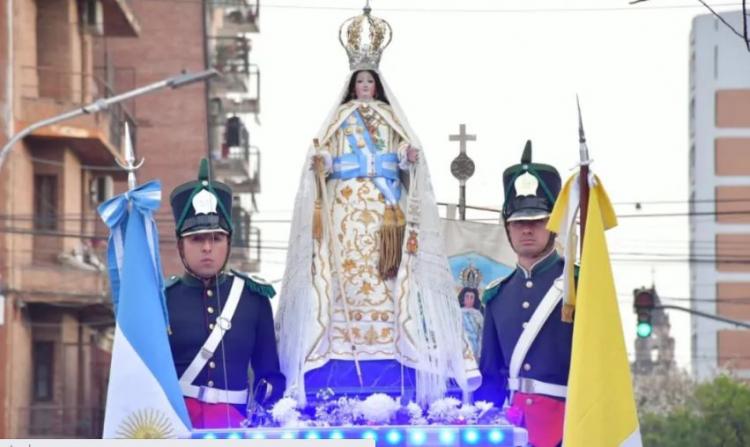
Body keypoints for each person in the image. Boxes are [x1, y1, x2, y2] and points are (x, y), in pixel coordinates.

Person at [275, 5, 480, 405]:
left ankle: (393, 336)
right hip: (345, 208)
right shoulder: (339, 120)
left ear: (377, 84)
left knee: (389, 272)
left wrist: (407, 157)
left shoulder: (389, 118)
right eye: (360, 81)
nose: (365, 87)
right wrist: (322, 163)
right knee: (344, 271)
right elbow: (327, 158)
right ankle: (340, 337)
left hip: (387, 210)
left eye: (370, 81)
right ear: (352, 85)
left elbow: (403, 152)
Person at [165, 159, 285, 429]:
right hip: (176, 427)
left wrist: (264, 419)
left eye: (216, 238)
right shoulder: (163, 299)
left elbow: (269, 374)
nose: (207, 247)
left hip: (235, 426)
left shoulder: (254, 298)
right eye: (196, 239)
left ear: (228, 243)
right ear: (181, 246)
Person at [475, 141, 570, 447]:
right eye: (518, 223)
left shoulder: (576, 285)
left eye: (537, 221)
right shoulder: (497, 296)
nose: (527, 229)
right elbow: (490, 375)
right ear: (507, 228)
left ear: (553, 225)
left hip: (567, 427)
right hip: (512, 428)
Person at [458, 287, 483, 360]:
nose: (469, 299)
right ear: (463, 298)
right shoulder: (458, 312)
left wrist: (480, 347)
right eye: (467, 296)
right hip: (462, 344)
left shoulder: (478, 314)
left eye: (472, 297)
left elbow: (482, 331)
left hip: (475, 345)